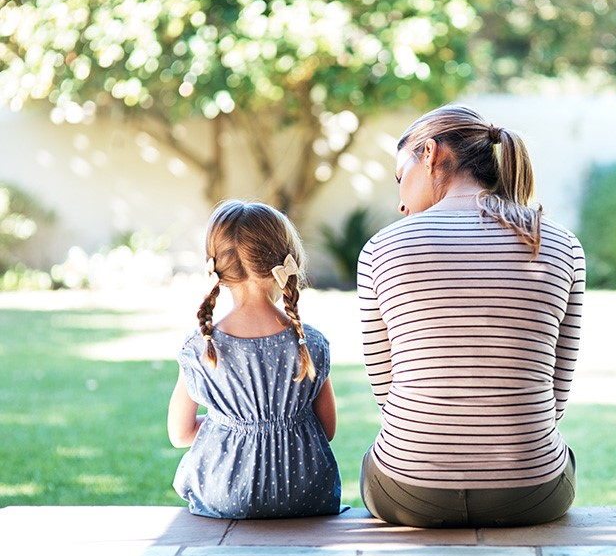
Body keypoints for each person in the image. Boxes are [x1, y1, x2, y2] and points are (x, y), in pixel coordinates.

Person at [357, 105, 585, 528]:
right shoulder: (559, 243)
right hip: (531, 492)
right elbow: (556, 394)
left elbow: (386, 392)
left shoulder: (381, 249)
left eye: (399, 177)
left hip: (409, 493)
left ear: (429, 153)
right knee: (561, 455)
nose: (400, 201)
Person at [167, 200, 342, 519]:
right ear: (288, 263)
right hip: (305, 494)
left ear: (216, 269)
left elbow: (180, 434)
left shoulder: (200, 347)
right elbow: (327, 429)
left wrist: (232, 423)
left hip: (225, 496)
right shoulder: (311, 343)